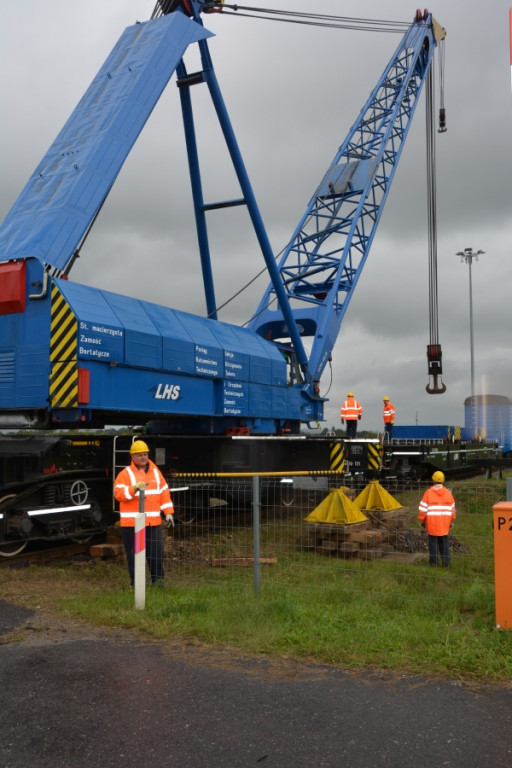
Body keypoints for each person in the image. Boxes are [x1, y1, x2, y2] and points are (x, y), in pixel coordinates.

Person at [114, 440, 174, 587]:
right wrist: (134, 488)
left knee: (156, 555)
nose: (143, 458)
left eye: (145, 454)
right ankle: (136, 584)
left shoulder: (155, 472)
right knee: (135, 556)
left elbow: (164, 492)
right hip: (132, 524)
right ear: (132, 457)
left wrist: (168, 512)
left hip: (153, 523)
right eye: (139, 455)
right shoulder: (125, 474)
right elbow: (119, 494)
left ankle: (158, 583)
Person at [418, 471, 456, 567]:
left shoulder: (428, 493)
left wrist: (422, 520)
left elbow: (423, 509)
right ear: (443, 480)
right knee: (444, 543)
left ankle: (433, 563)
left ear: (433, 480)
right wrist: (452, 520)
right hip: (444, 524)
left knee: (433, 544)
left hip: (432, 524)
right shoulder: (448, 493)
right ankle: (446, 563)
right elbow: (453, 509)